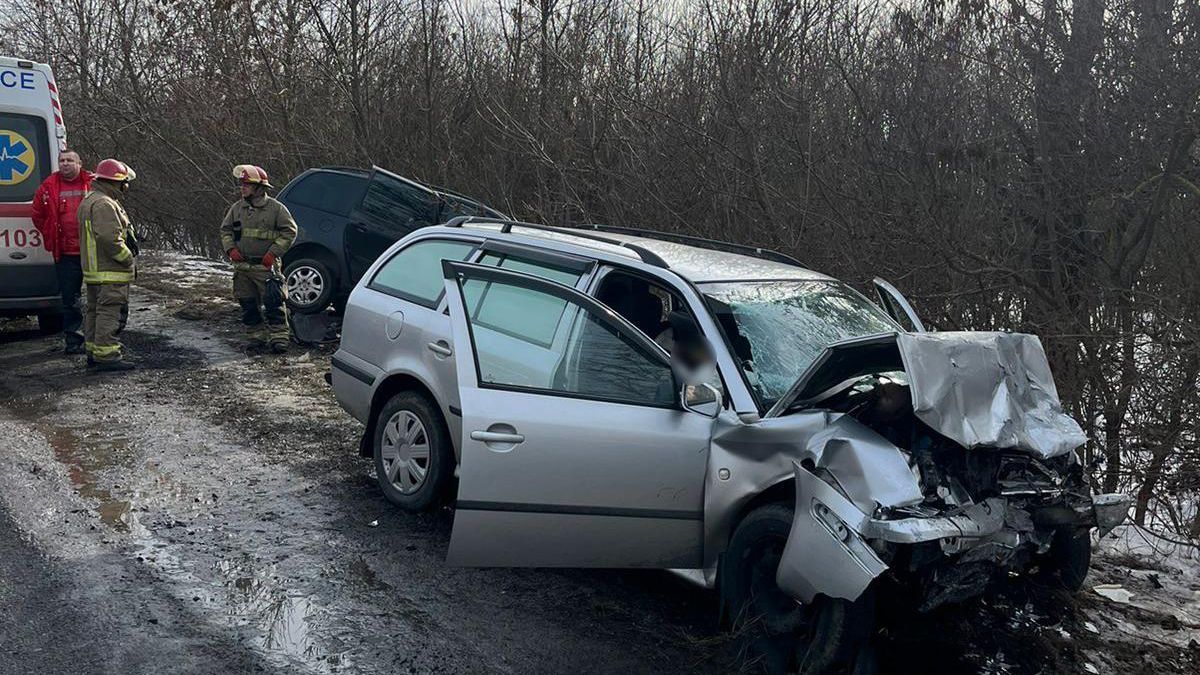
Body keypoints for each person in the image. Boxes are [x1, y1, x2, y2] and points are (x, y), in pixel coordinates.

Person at [218, 164, 297, 353]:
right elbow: (225, 230)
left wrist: (273, 253)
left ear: (259, 188)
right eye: (242, 184)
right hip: (243, 268)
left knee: (274, 304)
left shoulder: (276, 209)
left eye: (246, 184)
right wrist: (230, 249)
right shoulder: (237, 209)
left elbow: (290, 232)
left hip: (266, 267)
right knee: (248, 305)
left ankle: (279, 338)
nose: (242, 188)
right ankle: (256, 337)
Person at [76, 158, 137, 373]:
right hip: (109, 270)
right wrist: (127, 258)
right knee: (110, 312)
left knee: (95, 311)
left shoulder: (90, 200)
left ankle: (94, 352)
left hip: (95, 271)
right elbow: (109, 238)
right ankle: (107, 356)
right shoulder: (104, 204)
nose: (125, 187)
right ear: (117, 182)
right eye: (124, 183)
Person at [31, 149, 93, 354]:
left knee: (100, 298)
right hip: (66, 253)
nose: (64, 163)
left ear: (80, 163)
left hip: (92, 251)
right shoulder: (48, 187)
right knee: (70, 300)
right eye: (61, 160)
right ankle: (74, 341)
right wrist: (51, 234)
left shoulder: (92, 183)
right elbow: (38, 215)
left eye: (69, 160)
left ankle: (99, 340)